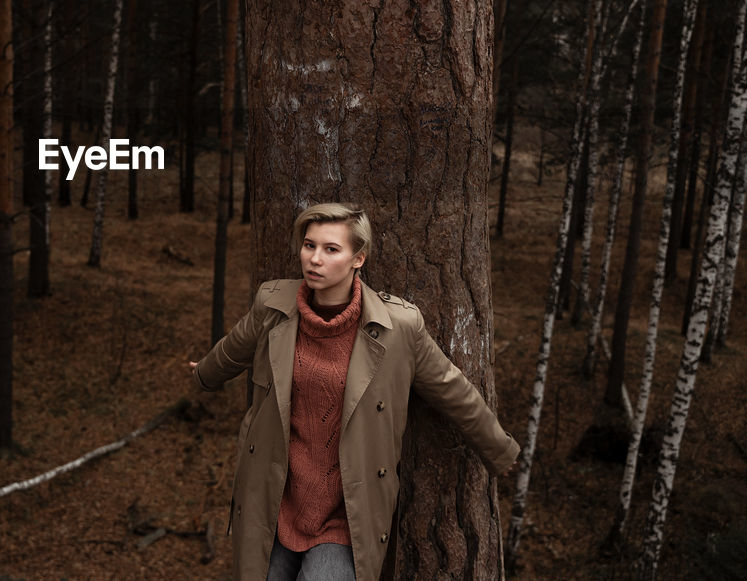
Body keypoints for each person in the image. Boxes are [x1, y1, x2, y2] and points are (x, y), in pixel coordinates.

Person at [189, 203, 519, 581]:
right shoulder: (273, 305)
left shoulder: (398, 327)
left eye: (331, 249)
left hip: (346, 512)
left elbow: (452, 388)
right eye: (309, 245)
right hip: (274, 499)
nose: (314, 259)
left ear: (357, 258)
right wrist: (203, 374)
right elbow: (236, 347)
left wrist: (499, 448)